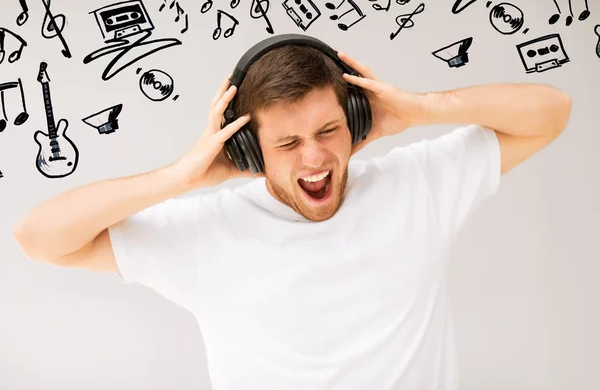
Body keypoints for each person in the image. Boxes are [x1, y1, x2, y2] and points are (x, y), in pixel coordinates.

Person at [12, 37, 571, 389]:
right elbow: (41, 238)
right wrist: (182, 176)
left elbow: (551, 113)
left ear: (354, 120)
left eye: (329, 130)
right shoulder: (206, 232)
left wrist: (422, 110)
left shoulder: (418, 183)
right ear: (250, 149)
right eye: (286, 143)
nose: (314, 157)